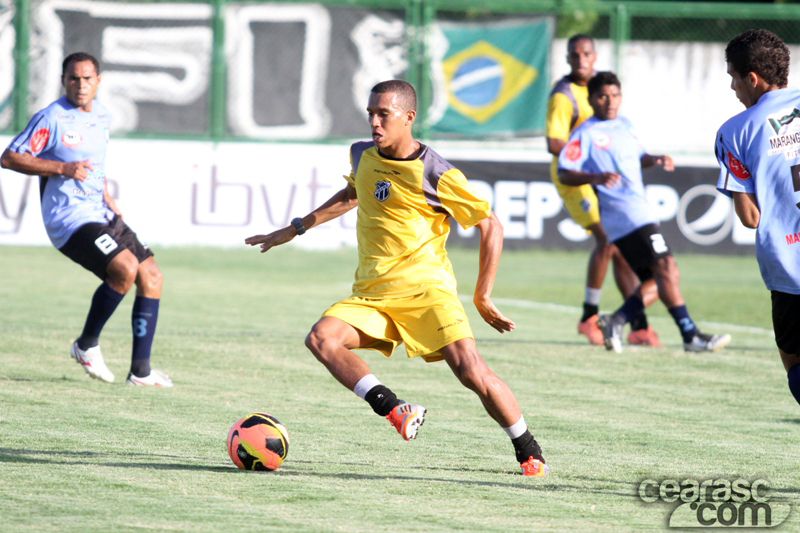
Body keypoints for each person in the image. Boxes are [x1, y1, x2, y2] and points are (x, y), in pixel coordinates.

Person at [245, 79, 547, 476]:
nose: (374, 122)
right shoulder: (361, 154)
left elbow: (490, 225)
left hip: (426, 291)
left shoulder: (436, 172)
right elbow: (354, 194)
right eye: (370, 113)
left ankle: (528, 451)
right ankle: (394, 409)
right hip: (372, 295)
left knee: (471, 372)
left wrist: (482, 295)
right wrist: (295, 227)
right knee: (321, 338)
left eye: (383, 114)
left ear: (408, 117)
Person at [0, 52, 171, 386]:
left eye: (87, 78)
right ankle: (86, 345)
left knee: (152, 276)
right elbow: (10, 157)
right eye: (73, 78)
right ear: (63, 81)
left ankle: (140, 372)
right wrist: (61, 168)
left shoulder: (102, 115)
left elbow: (93, 164)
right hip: (69, 219)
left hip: (100, 211)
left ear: (98, 81)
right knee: (124, 268)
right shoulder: (51, 118)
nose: (80, 85)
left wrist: (106, 196)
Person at [557, 71, 731, 354]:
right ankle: (691, 335)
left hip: (639, 209)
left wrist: (655, 158)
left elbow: (639, 157)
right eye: (602, 96)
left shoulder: (625, 125)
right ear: (591, 99)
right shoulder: (585, 133)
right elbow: (564, 172)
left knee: (663, 276)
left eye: (615, 95)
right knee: (666, 268)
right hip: (623, 213)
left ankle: (616, 321)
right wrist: (595, 177)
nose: (610, 101)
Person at [546, 35, 659, 347]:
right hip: (578, 177)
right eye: (574, 55)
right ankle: (589, 317)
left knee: (619, 246)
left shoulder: (600, 87)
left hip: (603, 176)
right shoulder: (563, 95)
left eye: (586, 54)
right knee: (607, 240)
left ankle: (639, 326)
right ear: (567, 59)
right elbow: (554, 143)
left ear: (595, 56)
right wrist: (588, 152)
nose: (581, 60)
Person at [715, 29, 800, 407]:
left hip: (789, 267)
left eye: (733, 77)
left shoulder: (734, 132)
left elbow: (750, 217)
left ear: (752, 78)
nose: (733, 87)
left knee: (794, 362)